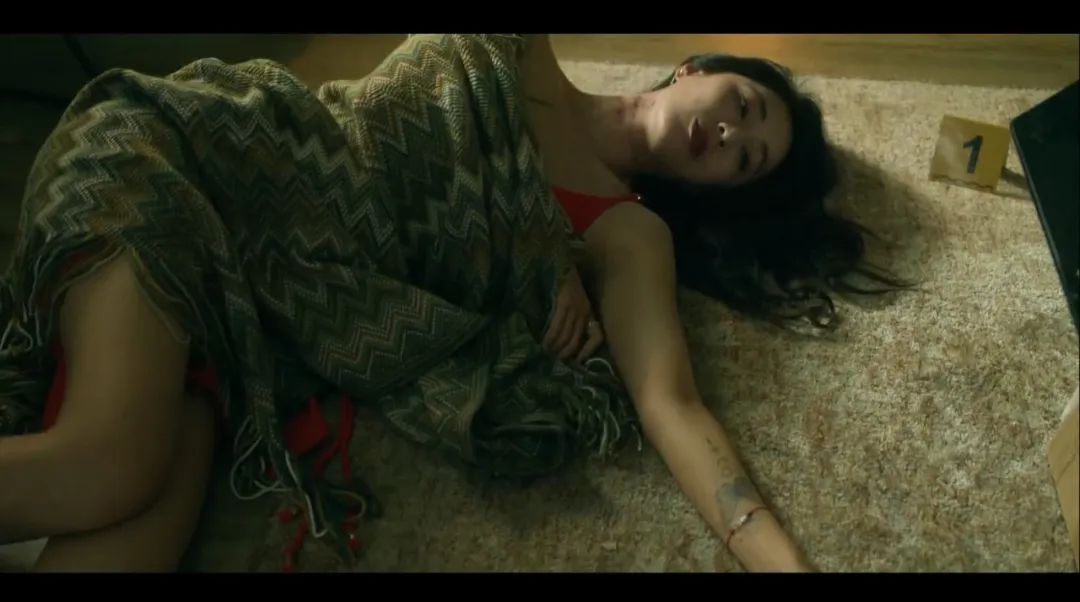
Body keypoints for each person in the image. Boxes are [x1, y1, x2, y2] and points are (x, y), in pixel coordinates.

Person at [0, 34, 904, 572]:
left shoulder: (628, 235)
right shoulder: (523, 46)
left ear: (720, 194)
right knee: (109, 465)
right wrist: (530, 234)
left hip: (243, 314)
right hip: (192, 158)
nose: (730, 132)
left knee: (135, 533)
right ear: (696, 68)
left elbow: (673, 406)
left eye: (746, 158)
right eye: (742, 104)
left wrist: (782, 561)